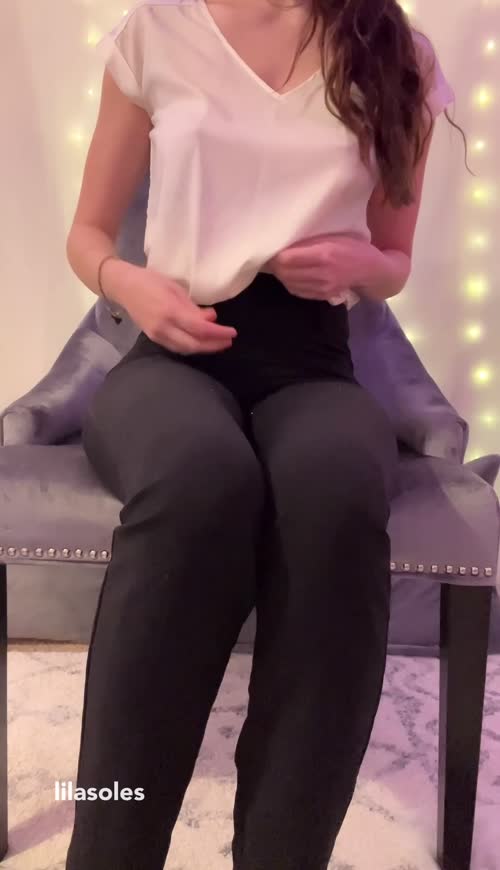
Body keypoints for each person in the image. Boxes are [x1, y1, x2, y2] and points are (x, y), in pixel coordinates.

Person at [64, 0, 461, 867]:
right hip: (171, 356)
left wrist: (366, 265)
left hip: (313, 365)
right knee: (198, 481)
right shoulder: (157, 32)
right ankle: (108, 845)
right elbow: (87, 235)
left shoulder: (395, 50)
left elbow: (393, 258)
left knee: (336, 497)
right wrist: (131, 285)